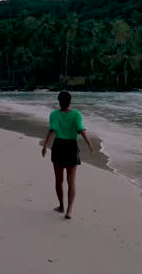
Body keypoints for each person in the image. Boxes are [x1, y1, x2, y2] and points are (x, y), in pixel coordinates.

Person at [41, 91, 95, 219]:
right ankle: (69, 210)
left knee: (59, 180)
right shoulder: (76, 114)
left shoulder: (54, 114)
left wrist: (44, 146)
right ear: (70, 101)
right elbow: (81, 130)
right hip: (71, 147)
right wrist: (90, 144)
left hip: (58, 147)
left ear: (59, 101)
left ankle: (61, 206)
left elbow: (52, 130)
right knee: (71, 181)